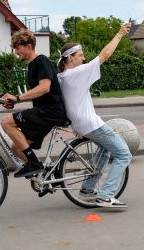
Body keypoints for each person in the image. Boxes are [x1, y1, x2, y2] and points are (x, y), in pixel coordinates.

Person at [57, 22, 132, 208]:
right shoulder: (76, 73)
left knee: (105, 150)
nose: (83, 59)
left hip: (81, 124)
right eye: (80, 56)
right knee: (124, 154)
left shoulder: (62, 77)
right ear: (69, 58)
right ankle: (105, 195)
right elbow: (104, 55)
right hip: (90, 124)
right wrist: (120, 34)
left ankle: (88, 188)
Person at [1, 29, 68, 178]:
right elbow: (37, 92)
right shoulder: (32, 65)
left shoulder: (41, 61)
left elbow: (44, 88)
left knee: (6, 122)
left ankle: (35, 164)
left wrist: (17, 98)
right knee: (17, 147)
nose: (16, 52)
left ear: (29, 46)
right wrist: (14, 102)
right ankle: (46, 175)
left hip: (50, 111)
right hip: (44, 111)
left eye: (17, 48)